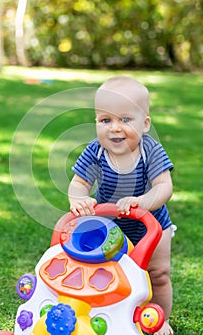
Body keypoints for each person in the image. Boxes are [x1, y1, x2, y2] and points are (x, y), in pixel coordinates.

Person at [68, 75, 175, 335]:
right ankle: (109, 314)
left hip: (152, 227)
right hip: (110, 228)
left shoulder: (150, 150)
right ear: (96, 122)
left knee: (158, 273)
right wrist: (78, 198)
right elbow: (78, 183)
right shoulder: (96, 151)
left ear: (145, 124)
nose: (114, 128)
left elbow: (164, 186)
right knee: (107, 274)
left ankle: (158, 318)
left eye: (125, 120)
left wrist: (142, 202)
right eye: (106, 120)